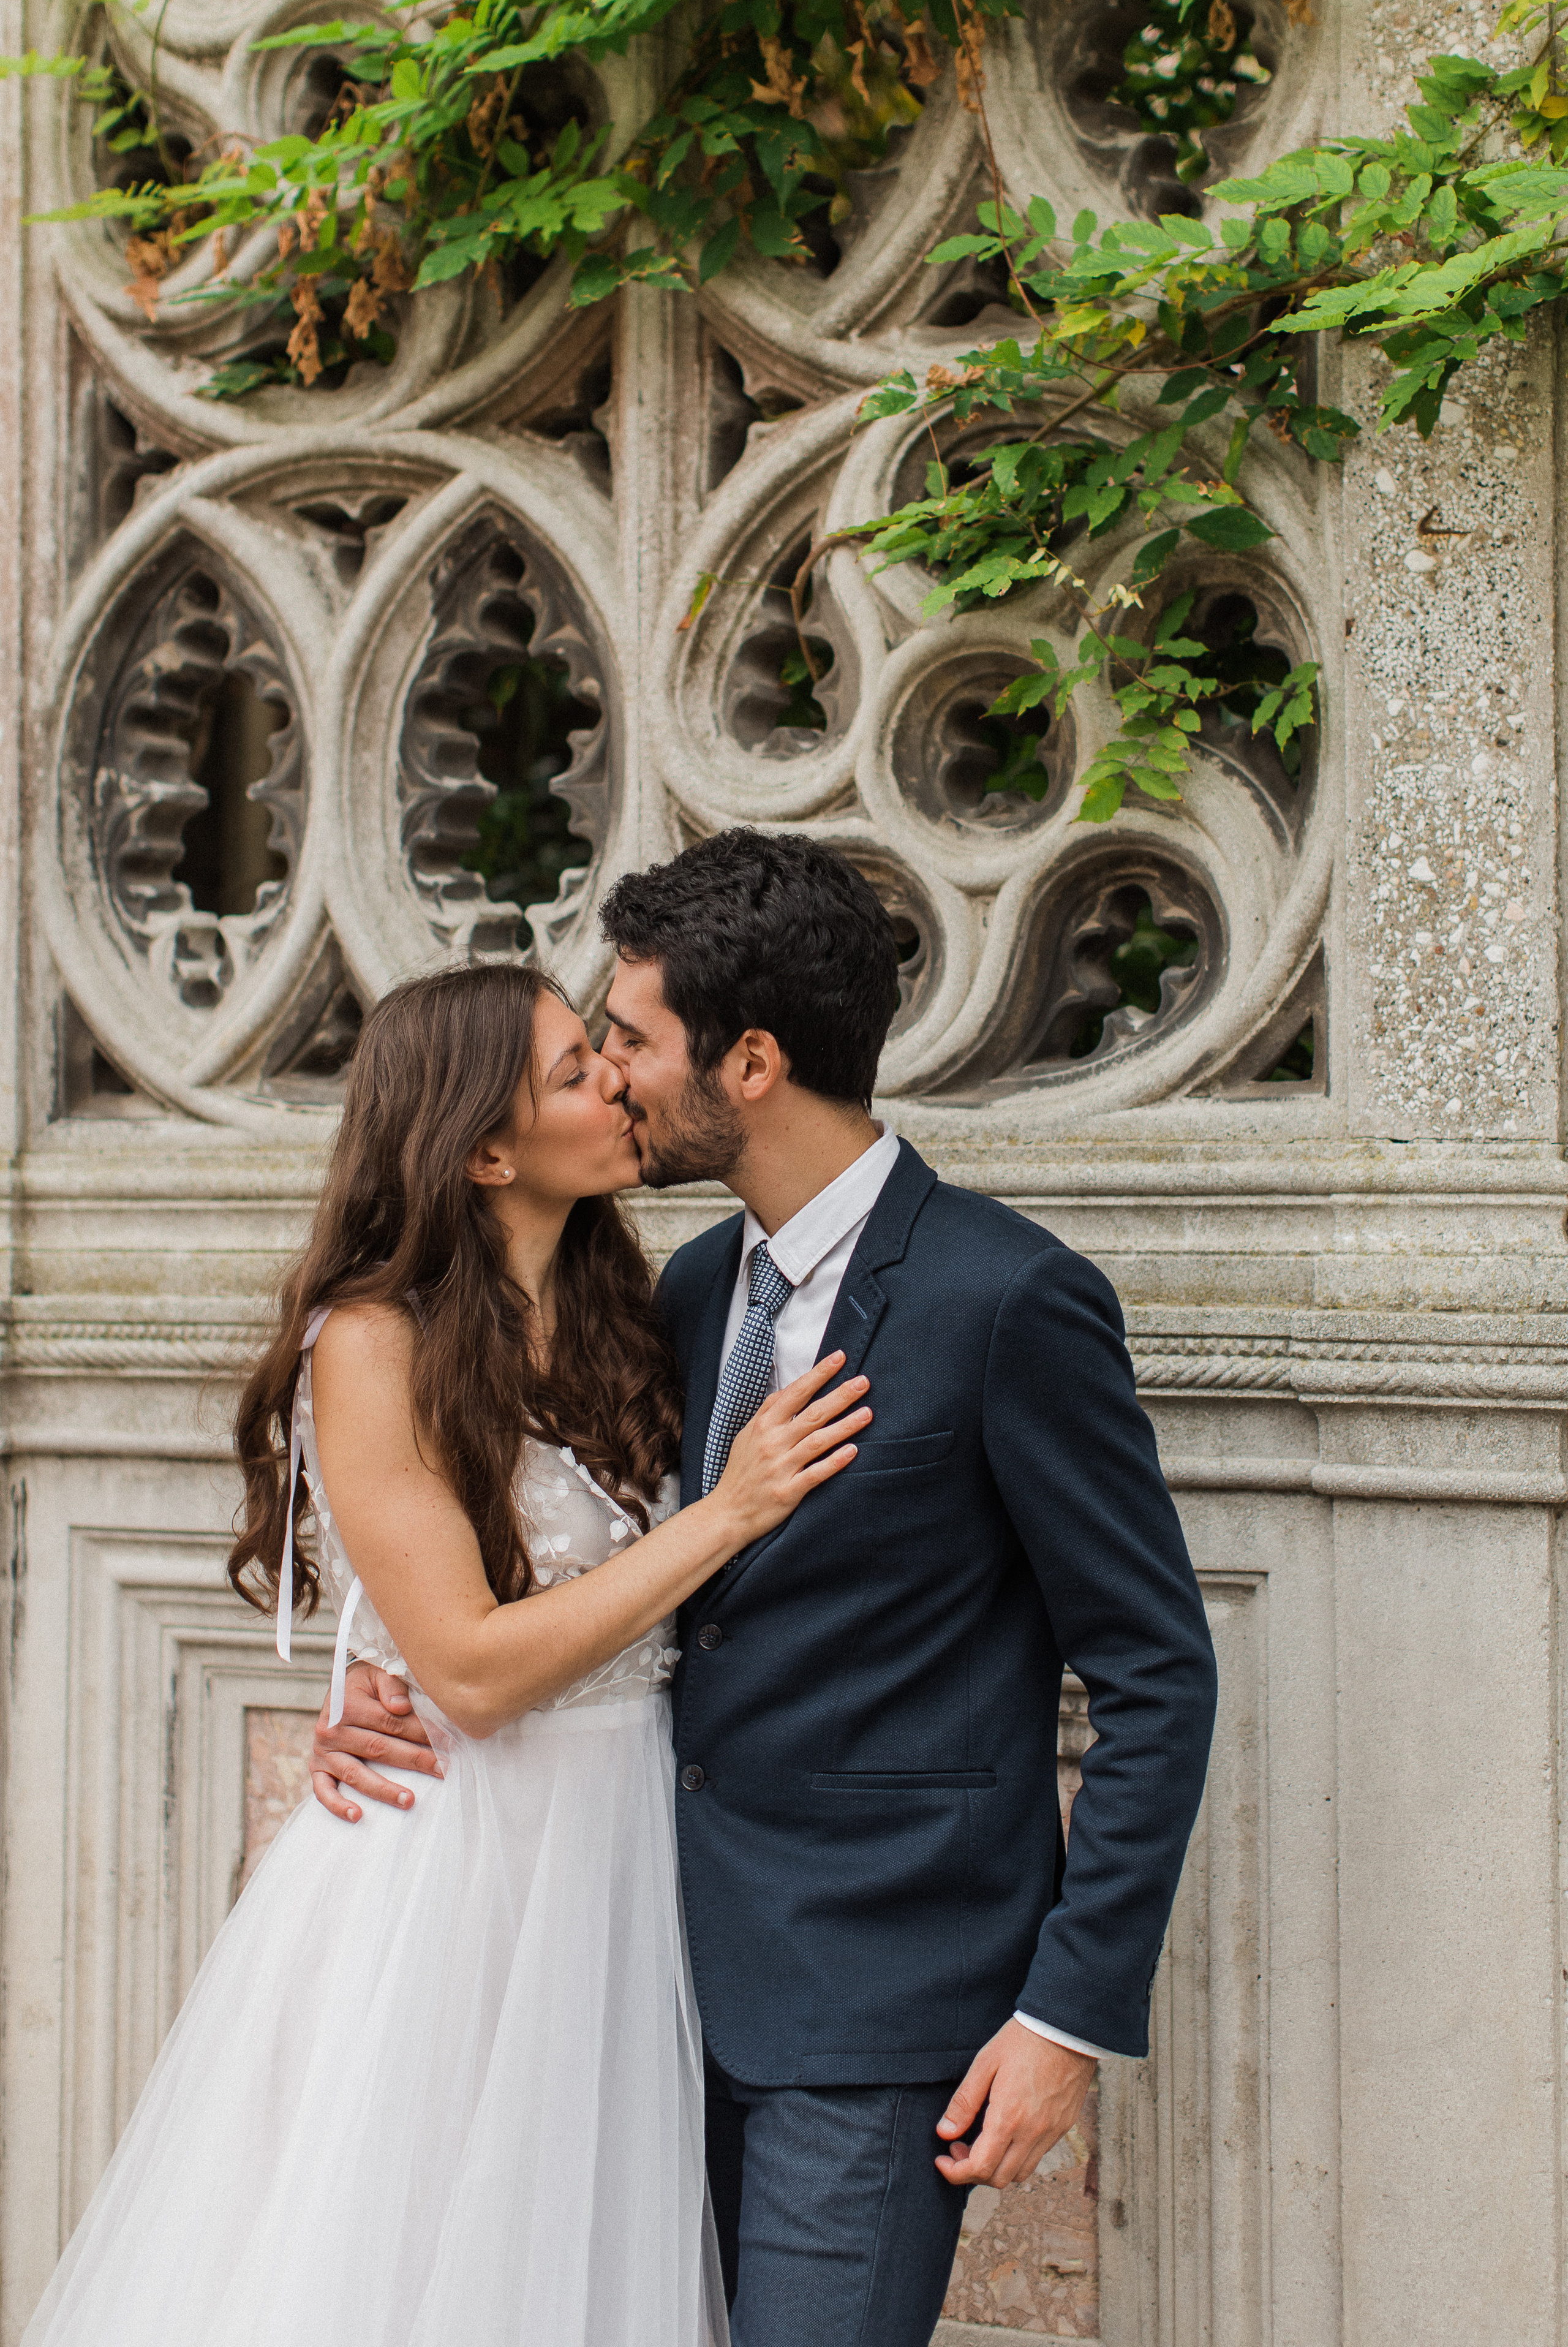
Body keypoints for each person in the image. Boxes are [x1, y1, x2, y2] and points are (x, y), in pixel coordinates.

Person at [314, 831, 1221, 2347]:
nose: (607, 1071)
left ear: (747, 1062)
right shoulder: (672, 1291)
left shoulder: (1007, 1300)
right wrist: (390, 1679)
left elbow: (1153, 1675)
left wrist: (1065, 2015)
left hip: (871, 2017)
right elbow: (561, 1562)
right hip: (636, 1990)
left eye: (629, 1038)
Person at [21, 961, 872, 2347]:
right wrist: (732, 1511)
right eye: (572, 1072)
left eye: (604, 1050)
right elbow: (470, 1670)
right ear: (484, 1150)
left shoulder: (635, 1312)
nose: (616, 1079)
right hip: (456, 1870)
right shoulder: (370, 1342)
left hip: (625, 1859)